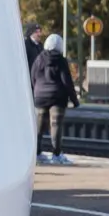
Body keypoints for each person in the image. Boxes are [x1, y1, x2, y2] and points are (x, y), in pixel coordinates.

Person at [30, 33, 80, 165]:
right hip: (57, 97)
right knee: (56, 125)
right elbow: (67, 82)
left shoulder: (39, 59)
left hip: (40, 97)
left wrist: (36, 91)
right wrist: (74, 100)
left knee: (39, 127)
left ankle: (37, 153)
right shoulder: (61, 60)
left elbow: (33, 76)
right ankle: (56, 155)